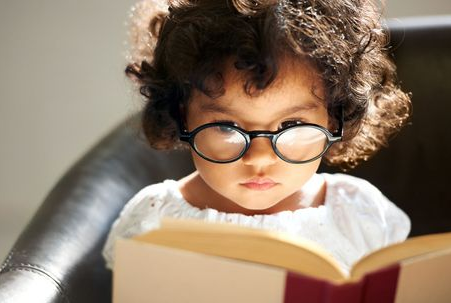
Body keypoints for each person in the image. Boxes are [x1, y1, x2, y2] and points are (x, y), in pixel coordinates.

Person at [102, 0, 412, 274]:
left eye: (291, 125)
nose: (260, 157)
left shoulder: (360, 213)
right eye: (226, 127)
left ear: (334, 117)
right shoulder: (155, 221)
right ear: (181, 114)